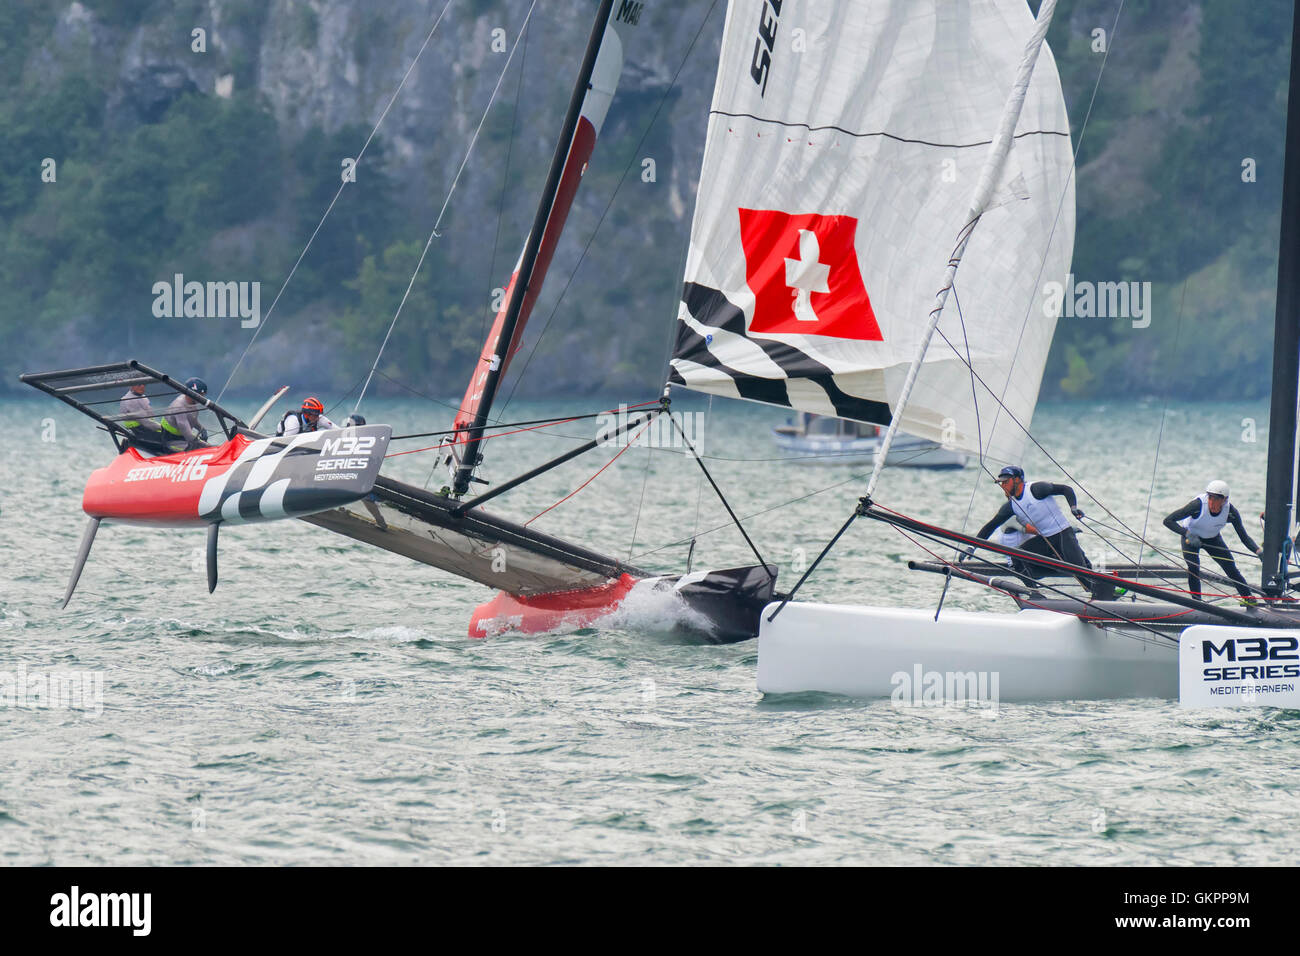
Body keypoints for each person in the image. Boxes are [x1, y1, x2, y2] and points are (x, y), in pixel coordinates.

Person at [977, 465, 1114, 599]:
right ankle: (1035, 594)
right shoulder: (1011, 506)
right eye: (1001, 483)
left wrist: (1073, 508)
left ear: (1017, 480)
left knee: (1082, 575)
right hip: (1045, 541)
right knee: (1017, 558)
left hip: (1063, 534)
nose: (1003, 486)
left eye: (1006, 482)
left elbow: (1066, 489)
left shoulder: (1036, 489)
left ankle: (1106, 595)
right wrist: (972, 547)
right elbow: (990, 526)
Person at [1162, 480, 1260, 602]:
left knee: (1231, 568)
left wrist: (1258, 551)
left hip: (1212, 539)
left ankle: (1248, 598)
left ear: (1224, 500)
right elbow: (1168, 521)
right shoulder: (1197, 505)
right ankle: (1197, 601)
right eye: (1210, 498)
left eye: (1217, 500)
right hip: (1191, 539)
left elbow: (1244, 537)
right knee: (1193, 567)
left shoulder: (1230, 512)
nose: (1212, 503)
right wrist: (1187, 534)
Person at [118, 381, 169, 451]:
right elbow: (145, 422)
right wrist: (164, 429)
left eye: (144, 383)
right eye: (139, 384)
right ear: (131, 386)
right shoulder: (130, 400)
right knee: (168, 441)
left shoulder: (142, 397)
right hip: (139, 431)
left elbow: (149, 418)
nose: (142, 386)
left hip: (146, 428)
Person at [161, 377, 210, 450]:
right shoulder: (179, 407)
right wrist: (207, 446)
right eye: (201, 395)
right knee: (198, 448)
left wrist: (202, 429)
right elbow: (189, 436)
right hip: (171, 441)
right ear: (193, 394)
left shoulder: (190, 401)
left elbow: (191, 418)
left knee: (200, 446)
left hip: (182, 438)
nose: (202, 398)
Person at [276, 396, 342, 436]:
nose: (317, 418)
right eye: (315, 415)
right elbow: (286, 442)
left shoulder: (319, 418)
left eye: (318, 415)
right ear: (306, 414)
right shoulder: (294, 421)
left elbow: (338, 430)